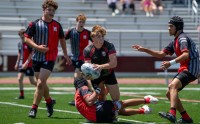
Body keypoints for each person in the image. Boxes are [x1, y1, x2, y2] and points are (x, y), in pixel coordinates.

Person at [132, 16, 199, 123]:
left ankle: (172, 113)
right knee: (169, 93)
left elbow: (186, 55)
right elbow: (161, 55)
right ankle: (186, 118)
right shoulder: (175, 41)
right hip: (186, 68)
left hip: (191, 68)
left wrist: (170, 63)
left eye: (171, 26)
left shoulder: (182, 38)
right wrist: (144, 50)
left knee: (172, 86)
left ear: (178, 27)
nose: (168, 28)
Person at [24, 0, 71, 118]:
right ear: (44, 10)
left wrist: (65, 54)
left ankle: (33, 108)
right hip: (37, 58)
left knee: (40, 83)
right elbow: (27, 38)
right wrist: (37, 47)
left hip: (50, 58)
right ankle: (49, 101)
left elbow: (62, 40)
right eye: (49, 10)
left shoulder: (57, 25)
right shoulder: (34, 24)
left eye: (53, 10)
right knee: (42, 84)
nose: (51, 12)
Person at [74, 77, 159, 123]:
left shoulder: (77, 96)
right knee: (122, 103)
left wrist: (104, 90)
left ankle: (142, 111)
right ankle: (147, 100)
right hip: (99, 111)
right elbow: (90, 102)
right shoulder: (83, 88)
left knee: (119, 111)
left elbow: (95, 100)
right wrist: (99, 88)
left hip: (98, 119)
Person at [83, 25, 120, 102]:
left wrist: (100, 66)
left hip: (108, 74)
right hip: (96, 76)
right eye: (99, 36)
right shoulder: (87, 50)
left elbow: (114, 63)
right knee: (101, 97)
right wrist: (88, 76)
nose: (102, 38)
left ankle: (108, 89)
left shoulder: (109, 46)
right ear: (93, 37)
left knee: (116, 99)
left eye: (103, 36)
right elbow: (87, 67)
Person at [65, 13, 92, 106]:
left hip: (84, 58)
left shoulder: (87, 33)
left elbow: (95, 42)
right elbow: (62, 39)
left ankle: (78, 98)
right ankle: (90, 94)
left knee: (77, 78)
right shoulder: (71, 32)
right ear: (76, 22)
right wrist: (65, 55)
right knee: (82, 79)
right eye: (80, 21)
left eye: (83, 22)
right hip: (74, 57)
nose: (81, 23)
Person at [14, 29, 36, 99]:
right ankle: (22, 95)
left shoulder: (29, 43)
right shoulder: (19, 43)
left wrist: (27, 62)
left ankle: (42, 88)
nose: (21, 36)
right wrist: (17, 62)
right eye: (20, 35)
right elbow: (19, 53)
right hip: (21, 64)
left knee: (32, 81)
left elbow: (31, 53)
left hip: (28, 64)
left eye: (21, 34)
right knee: (19, 78)